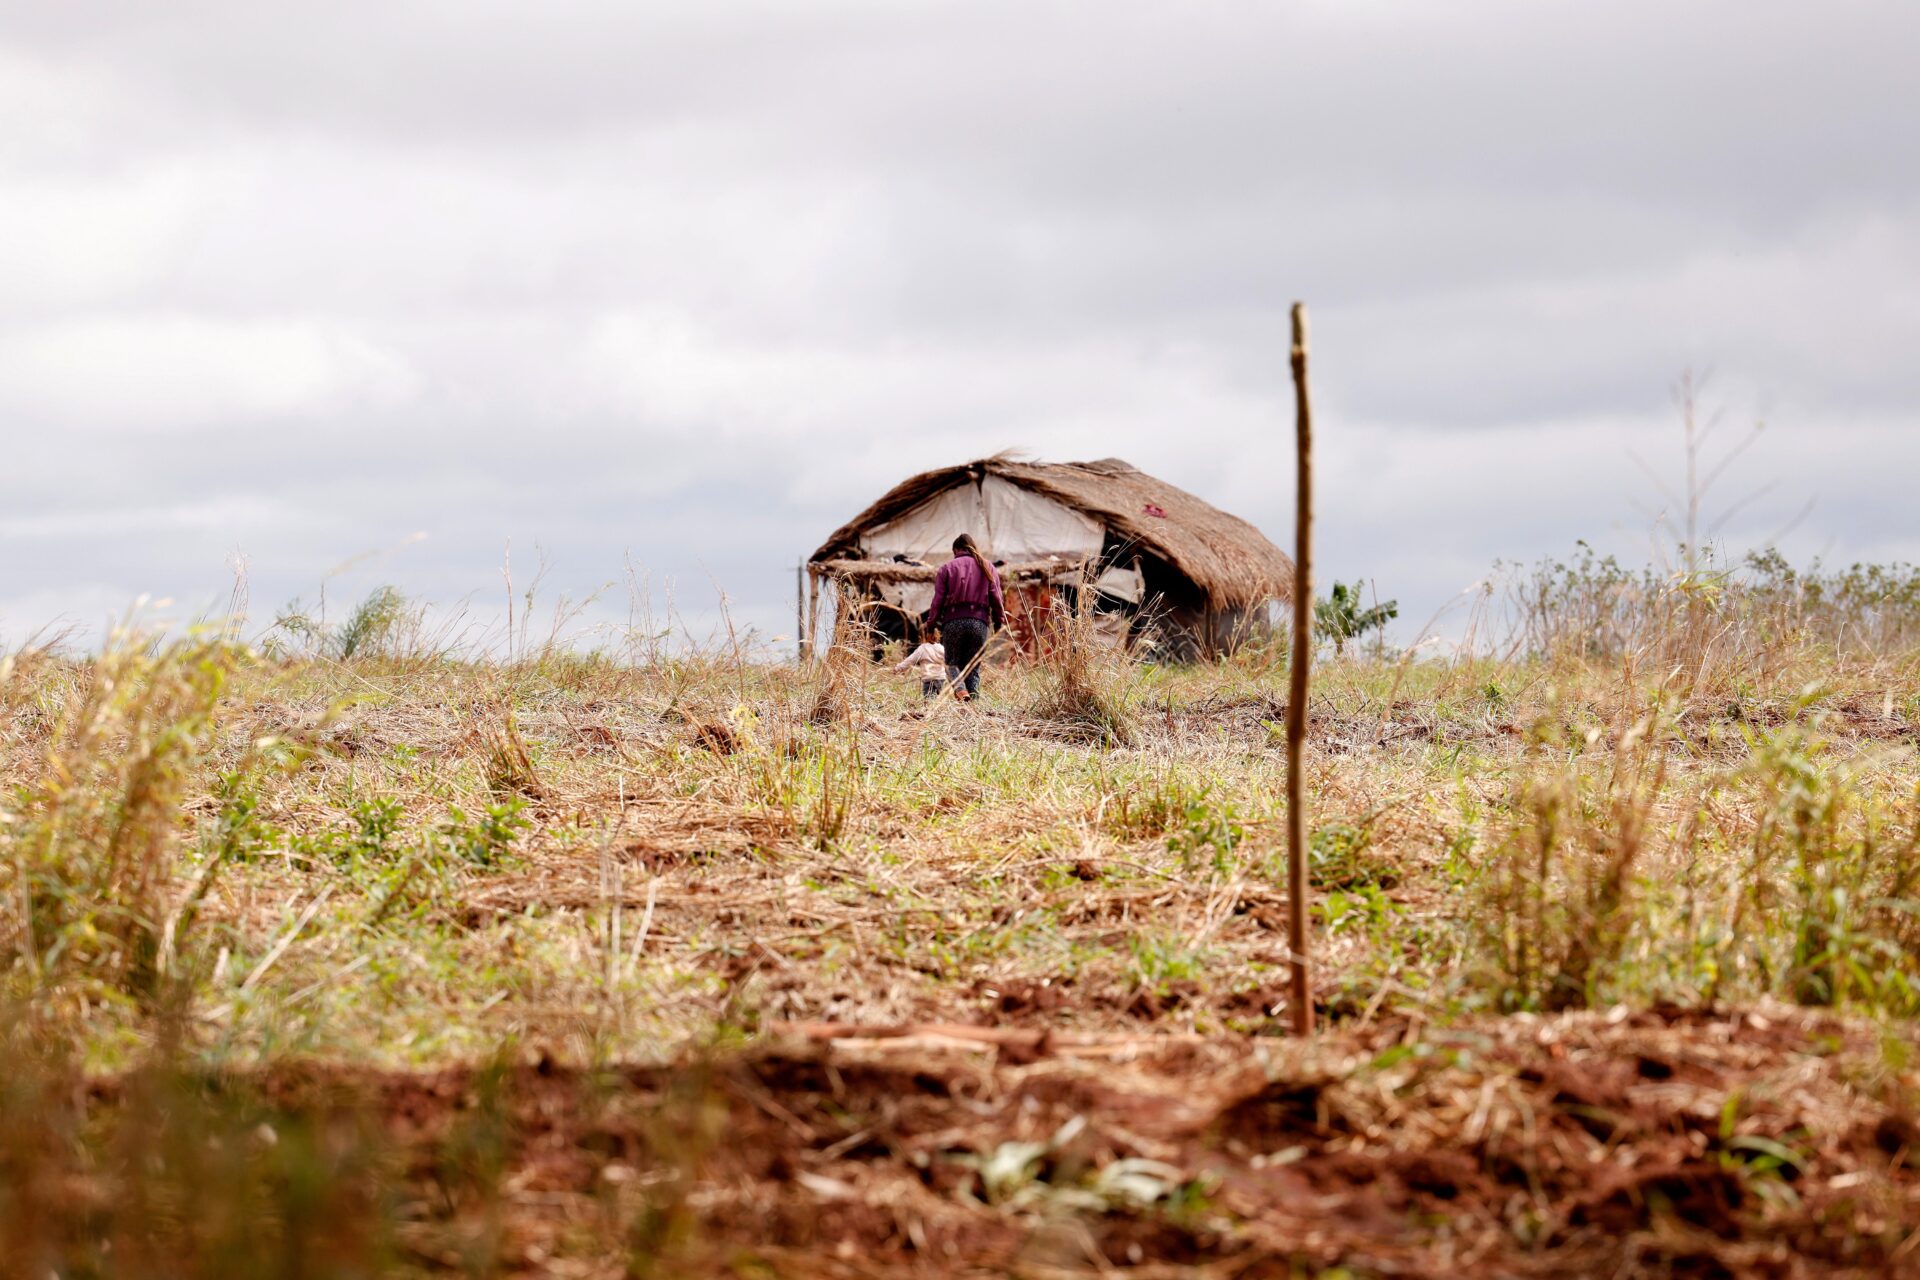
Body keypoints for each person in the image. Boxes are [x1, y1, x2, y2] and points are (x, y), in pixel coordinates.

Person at [927, 533, 1004, 701]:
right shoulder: (988, 567)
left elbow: (937, 601)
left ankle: (961, 690)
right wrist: (999, 622)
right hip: (980, 623)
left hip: (953, 622)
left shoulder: (946, 568)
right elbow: (997, 597)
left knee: (951, 664)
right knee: (973, 666)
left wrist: (930, 625)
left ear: (956, 550)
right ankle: (973, 706)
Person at [892, 628, 947, 699]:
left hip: (928, 680)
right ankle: (937, 709)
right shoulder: (941, 648)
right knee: (937, 699)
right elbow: (948, 661)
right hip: (941, 678)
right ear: (937, 635)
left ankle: (929, 709)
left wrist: (898, 668)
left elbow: (910, 660)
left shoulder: (922, 649)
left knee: (929, 699)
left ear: (921, 637)